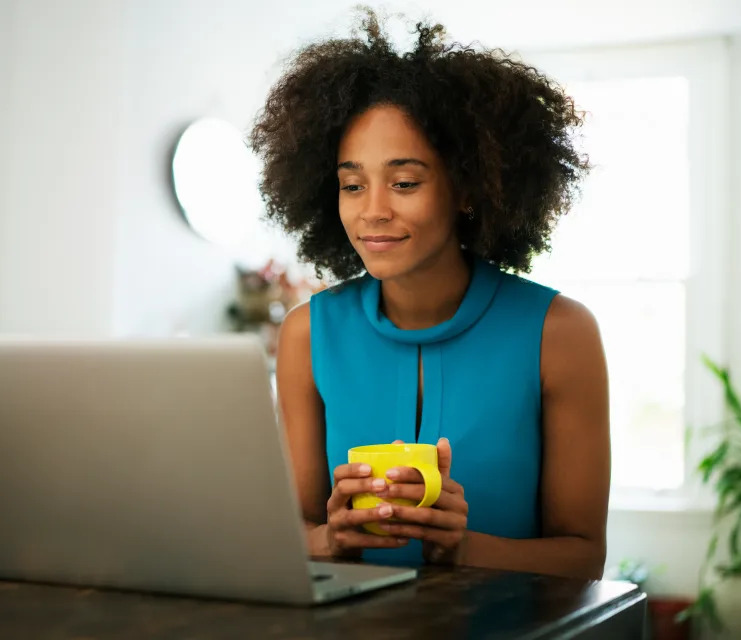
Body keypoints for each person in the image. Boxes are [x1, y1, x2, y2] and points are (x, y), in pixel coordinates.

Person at [248, 9, 610, 578]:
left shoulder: (558, 333)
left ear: (466, 187)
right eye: (351, 184)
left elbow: (583, 555)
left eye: (405, 182)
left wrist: (463, 548)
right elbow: (287, 533)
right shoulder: (309, 333)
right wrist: (330, 538)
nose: (372, 211)